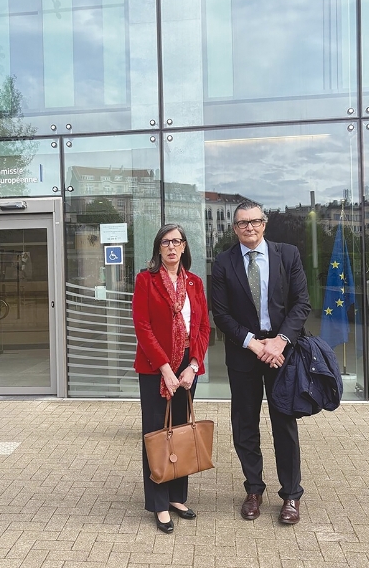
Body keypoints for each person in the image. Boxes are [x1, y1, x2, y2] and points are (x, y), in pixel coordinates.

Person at [211, 202, 311, 524]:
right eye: (242, 223)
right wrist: (253, 343)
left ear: (264, 224)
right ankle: (253, 489)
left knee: (284, 424)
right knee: (245, 425)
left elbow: (301, 304)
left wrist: (280, 341)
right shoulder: (224, 262)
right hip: (244, 353)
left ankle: (291, 494)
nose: (249, 227)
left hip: (281, 352)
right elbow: (221, 314)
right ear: (235, 228)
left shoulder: (288, 255)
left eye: (255, 221)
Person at [132, 224, 211, 534]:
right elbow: (143, 326)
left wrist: (193, 365)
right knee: (156, 433)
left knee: (180, 431)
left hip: (187, 366)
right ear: (158, 248)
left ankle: (177, 496)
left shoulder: (194, 282)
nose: (171, 247)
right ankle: (159, 503)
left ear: (184, 246)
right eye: (165, 242)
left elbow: (202, 327)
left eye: (177, 241)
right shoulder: (146, 280)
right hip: (155, 367)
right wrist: (166, 368)